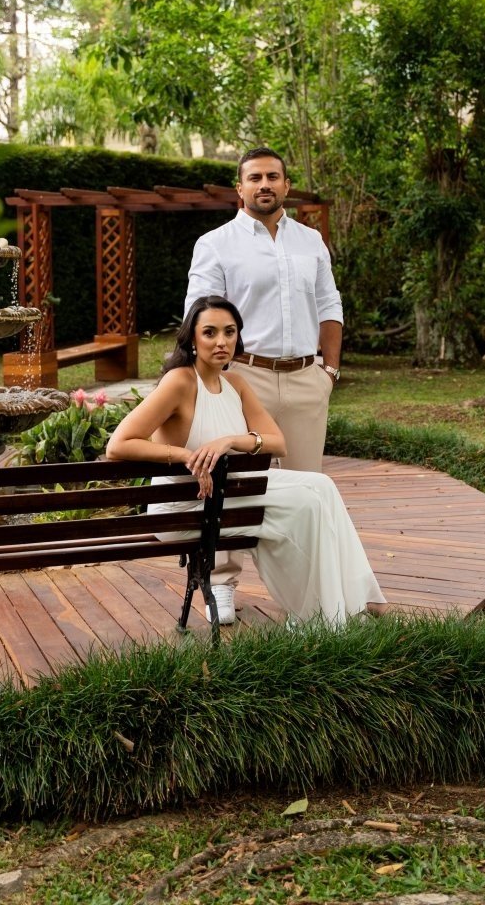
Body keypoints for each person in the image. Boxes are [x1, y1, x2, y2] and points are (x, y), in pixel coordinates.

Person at [105, 296, 386, 627]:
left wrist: (231, 441)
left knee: (322, 486)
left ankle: (352, 599)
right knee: (305, 506)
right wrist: (185, 456)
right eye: (209, 332)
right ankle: (319, 616)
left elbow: (278, 442)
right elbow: (118, 445)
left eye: (229, 332)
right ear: (192, 339)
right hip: (184, 506)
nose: (221, 341)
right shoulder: (180, 382)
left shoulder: (235, 383)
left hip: (225, 494)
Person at [184, 146, 343, 621]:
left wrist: (329, 372)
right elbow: (199, 315)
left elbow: (329, 305)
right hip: (242, 377)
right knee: (231, 483)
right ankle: (220, 583)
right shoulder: (215, 244)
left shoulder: (311, 241)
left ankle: (307, 595)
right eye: (254, 177)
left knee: (307, 492)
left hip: (305, 378)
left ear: (286, 185)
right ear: (240, 188)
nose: (264, 184)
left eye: (273, 176)